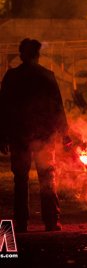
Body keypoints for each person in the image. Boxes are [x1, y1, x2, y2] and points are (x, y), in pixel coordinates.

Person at [0, 38, 71, 232]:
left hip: (19, 136)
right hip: (43, 136)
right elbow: (57, 107)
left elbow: (3, 108)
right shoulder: (47, 75)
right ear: (37, 55)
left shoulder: (11, 77)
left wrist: (3, 136)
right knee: (47, 177)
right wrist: (64, 134)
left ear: (21, 55)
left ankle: (21, 223)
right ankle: (52, 221)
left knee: (20, 180)